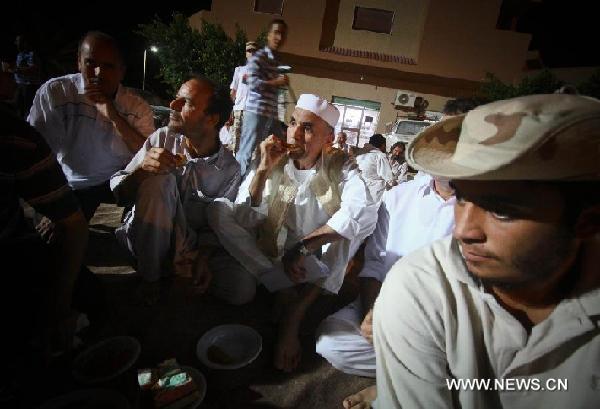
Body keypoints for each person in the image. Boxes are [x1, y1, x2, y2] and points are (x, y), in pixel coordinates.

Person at [373, 94, 600, 408]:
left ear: (588, 221)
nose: (464, 231)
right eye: (462, 197)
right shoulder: (421, 286)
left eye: (502, 211)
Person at [208, 94, 378, 372]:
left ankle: (295, 314)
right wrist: (263, 170)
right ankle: (282, 287)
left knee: (351, 229)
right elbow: (245, 217)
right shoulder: (273, 159)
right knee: (218, 210)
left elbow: (362, 211)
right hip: (270, 254)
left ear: (329, 139)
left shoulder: (341, 166)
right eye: (293, 122)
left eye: (308, 128)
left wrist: (304, 247)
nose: (295, 134)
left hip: (311, 265)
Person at [110, 75, 242, 305]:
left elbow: (220, 225)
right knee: (159, 182)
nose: (172, 105)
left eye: (186, 103)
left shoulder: (230, 169)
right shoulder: (162, 139)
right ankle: (151, 278)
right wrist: (142, 171)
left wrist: (203, 257)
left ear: (212, 119)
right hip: (147, 237)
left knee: (241, 287)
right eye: (176, 99)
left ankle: (176, 270)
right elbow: (119, 194)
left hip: (191, 247)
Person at [0, 73, 88, 361]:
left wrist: (59, 306)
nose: (11, 81)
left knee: (87, 300)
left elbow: (73, 224)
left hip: (12, 246)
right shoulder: (54, 94)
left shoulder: (14, 137)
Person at [28, 31, 155, 221]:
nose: (98, 73)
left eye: (108, 66)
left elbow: (148, 154)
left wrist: (113, 115)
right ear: (79, 62)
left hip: (113, 186)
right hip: (65, 184)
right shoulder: (57, 93)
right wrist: (52, 207)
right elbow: (38, 153)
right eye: (91, 63)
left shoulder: (137, 107)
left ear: (122, 71)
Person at [236, 19, 289, 178]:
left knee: (277, 150)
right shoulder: (259, 57)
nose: (279, 37)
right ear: (269, 34)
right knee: (248, 150)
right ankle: (235, 187)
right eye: (277, 32)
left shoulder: (276, 61)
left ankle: (259, 186)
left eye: (283, 34)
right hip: (256, 113)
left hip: (271, 116)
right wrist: (276, 82)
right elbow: (251, 82)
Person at [2, 34, 42, 119]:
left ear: (25, 43)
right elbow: (16, 69)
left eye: (18, 41)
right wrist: (8, 69)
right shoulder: (20, 54)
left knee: (27, 108)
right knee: (18, 106)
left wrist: (16, 69)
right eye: (16, 41)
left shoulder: (31, 54)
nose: (16, 43)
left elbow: (33, 69)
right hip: (20, 84)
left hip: (29, 85)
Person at [229, 41, 258, 154]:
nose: (251, 53)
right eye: (249, 50)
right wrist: (230, 108)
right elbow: (233, 91)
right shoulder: (239, 70)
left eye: (254, 51)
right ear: (246, 53)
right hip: (238, 110)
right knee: (235, 141)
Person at [354, 133, 394, 202]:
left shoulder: (360, 156)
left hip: (358, 191)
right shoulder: (380, 156)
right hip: (374, 194)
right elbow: (389, 179)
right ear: (383, 145)